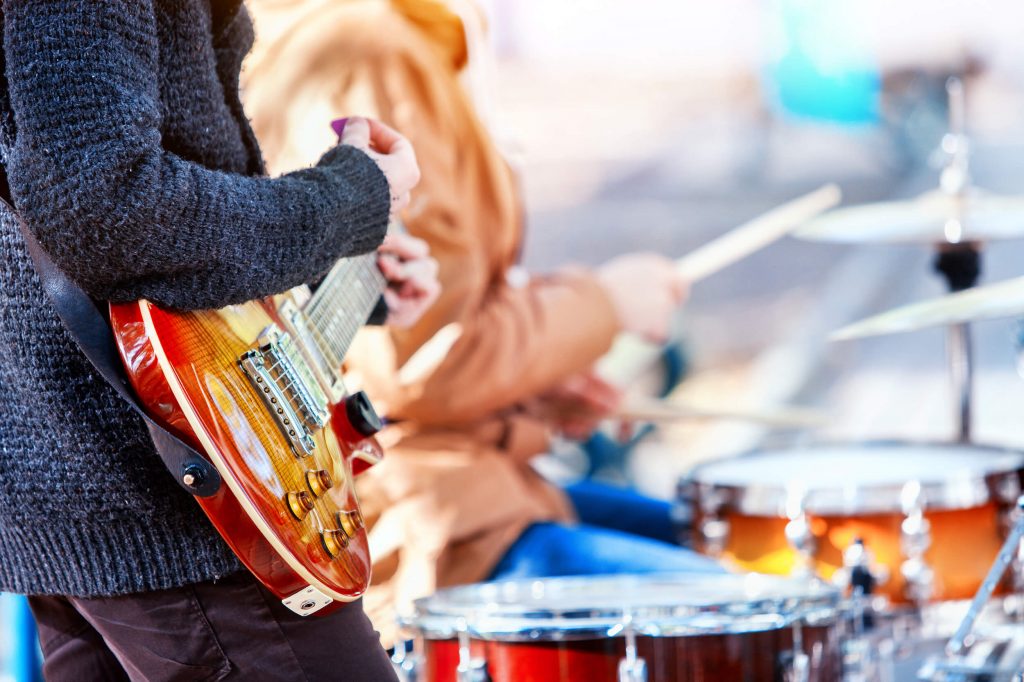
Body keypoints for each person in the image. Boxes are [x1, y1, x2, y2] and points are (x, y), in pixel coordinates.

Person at [244, 0, 722, 648]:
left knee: (737, 554)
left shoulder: (385, 34)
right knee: (742, 615)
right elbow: (415, 364)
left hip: (480, 483)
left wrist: (539, 380)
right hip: (428, 521)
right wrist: (604, 305)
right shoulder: (364, 47)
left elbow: (411, 328)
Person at [0, 1, 438, 679]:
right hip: (175, 491)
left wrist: (337, 269)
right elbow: (107, 210)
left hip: (115, 486)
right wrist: (348, 201)